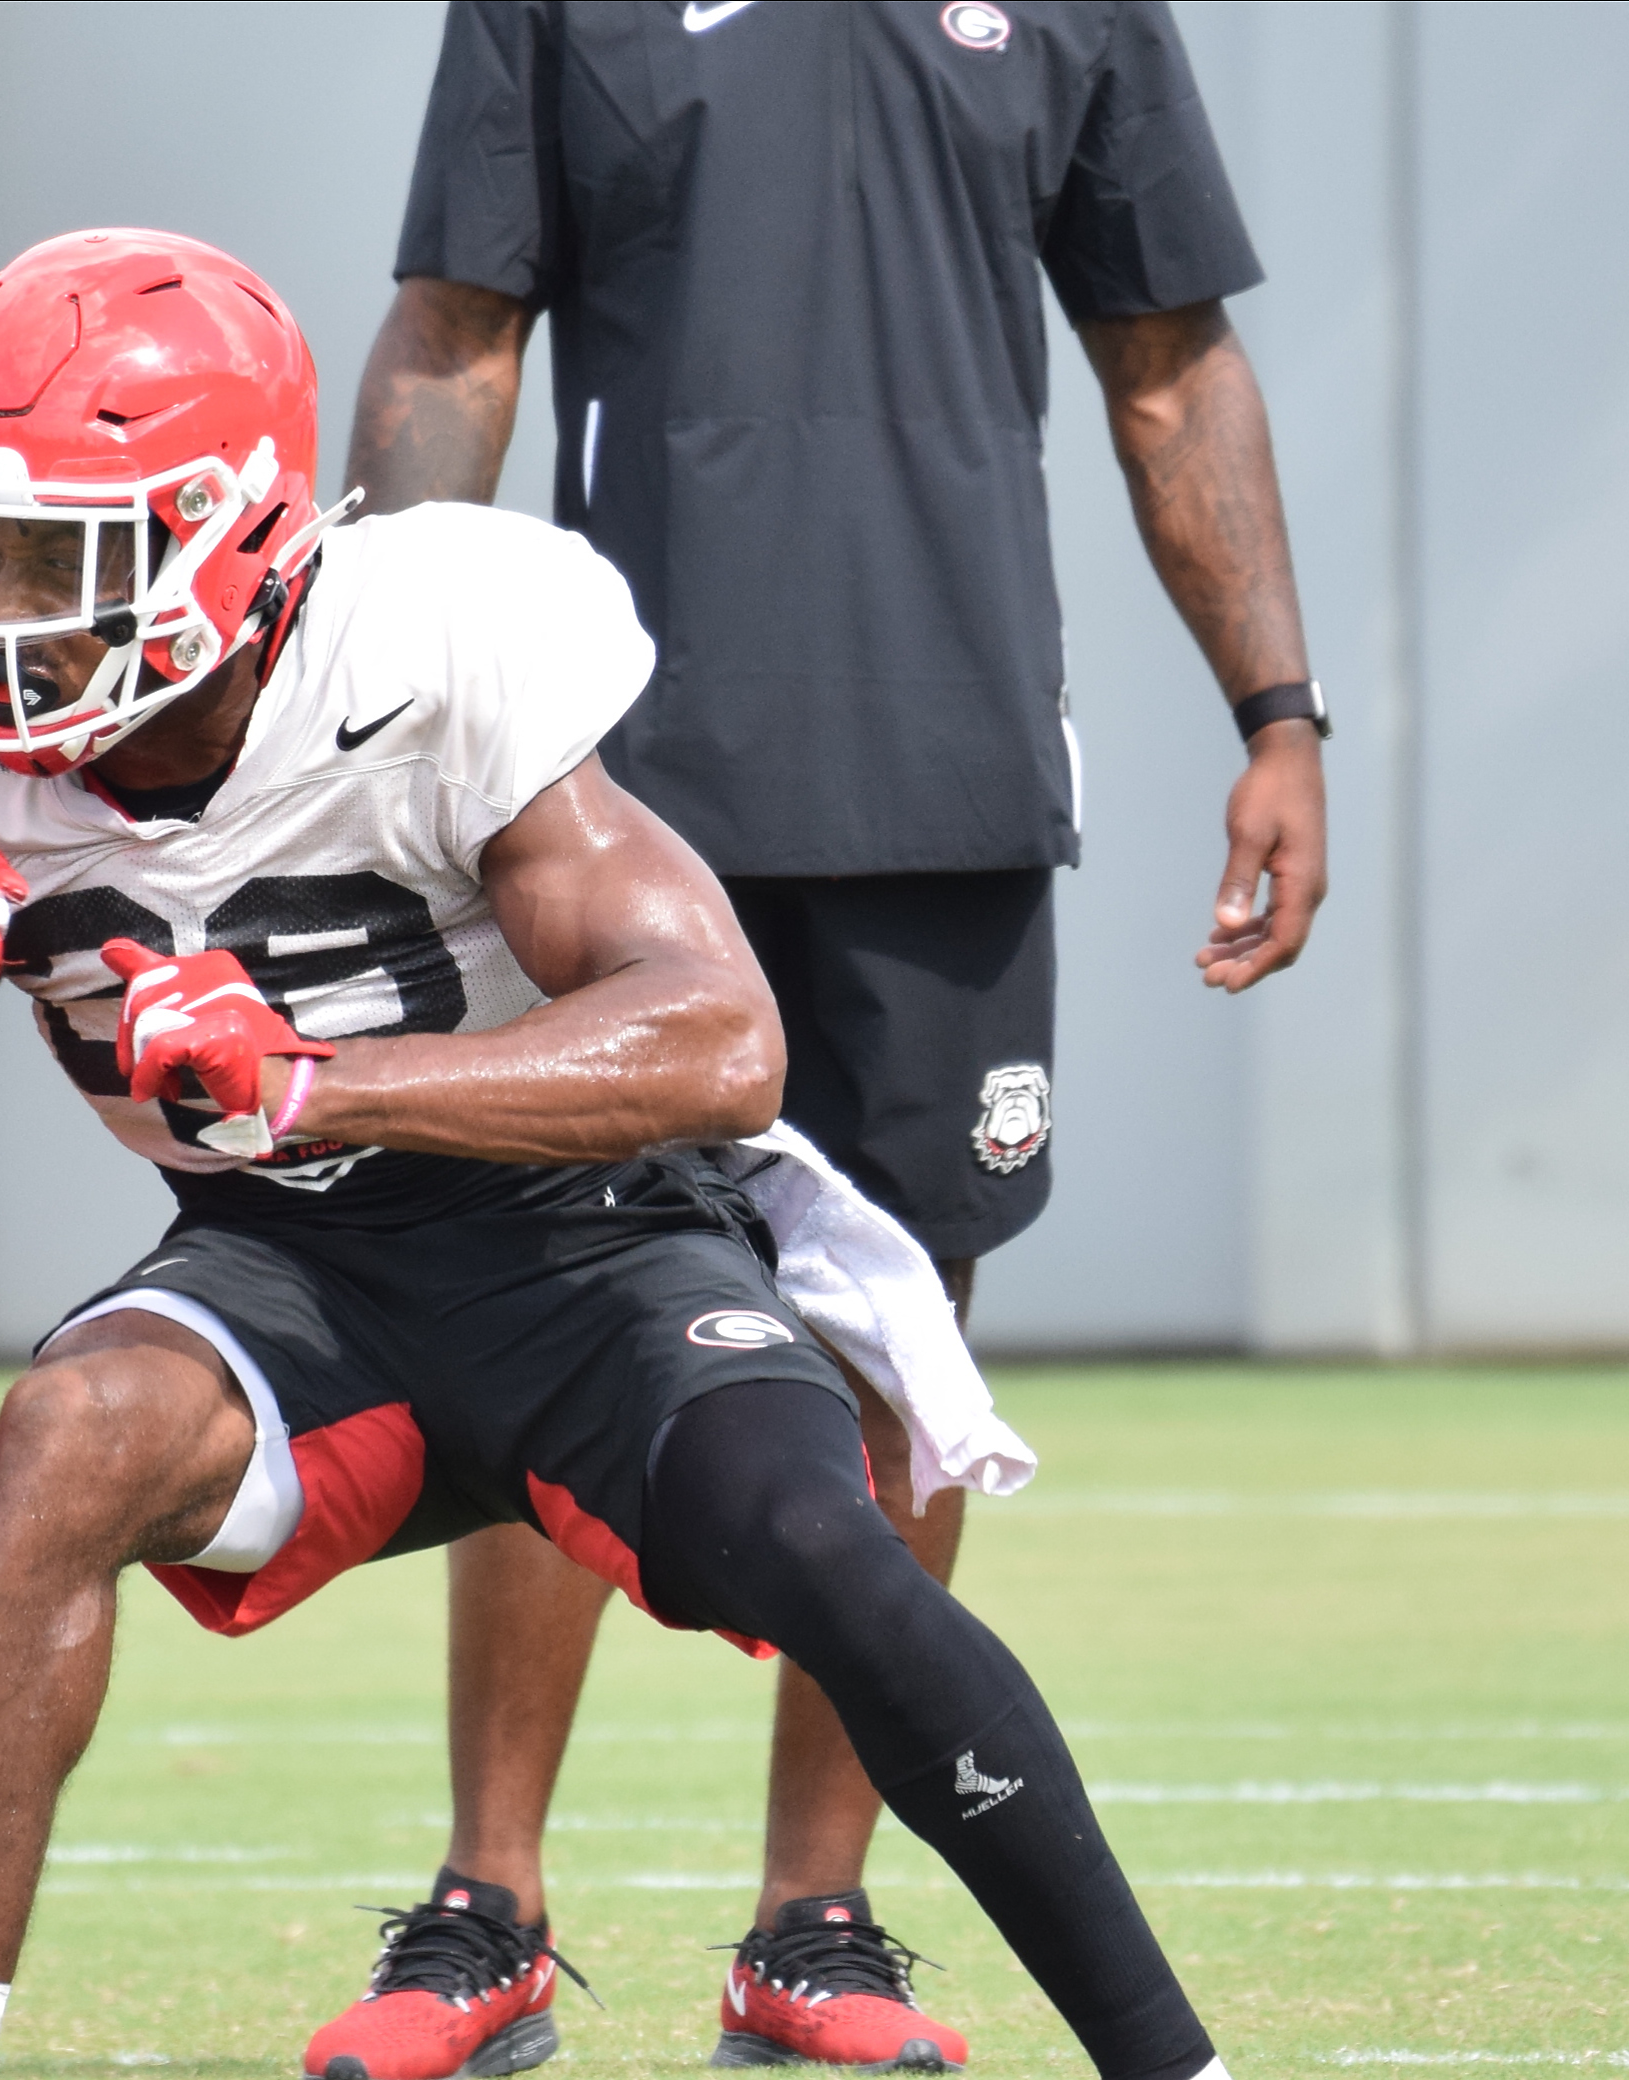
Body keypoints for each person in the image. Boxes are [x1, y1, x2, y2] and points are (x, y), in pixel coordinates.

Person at [0, 229, 1227, 2080]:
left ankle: (1166, 2062)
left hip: (591, 1246)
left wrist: (325, 1079)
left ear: (230, 539)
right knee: (57, 1440)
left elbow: (719, 1037)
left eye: (50, 557)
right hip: (286, 1275)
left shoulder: (429, 637)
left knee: (821, 1539)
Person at [347, 3, 1325, 2062]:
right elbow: (453, 331)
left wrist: (1277, 715)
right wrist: (377, 721)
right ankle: (484, 1904)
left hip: (943, 775)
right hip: (606, 780)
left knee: (898, 1326)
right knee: (547, 1314)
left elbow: (1170, 361)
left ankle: (815, 1923)